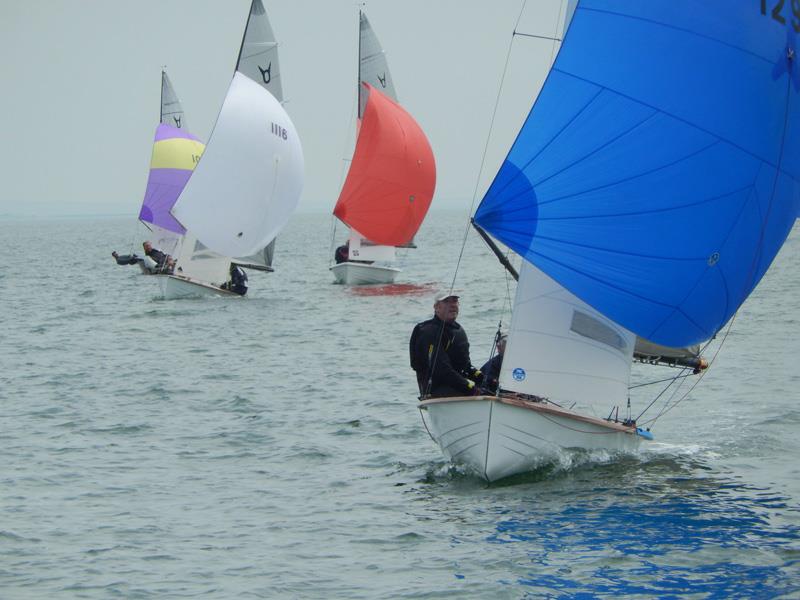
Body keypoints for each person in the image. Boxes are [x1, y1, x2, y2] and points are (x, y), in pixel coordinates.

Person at [410, 292, 483, 398]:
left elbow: (465, 365)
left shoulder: (458, 329)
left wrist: (482, 378)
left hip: (459, 385)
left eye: (455, 301)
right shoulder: (428, 332)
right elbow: (441, 369)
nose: (453, 304)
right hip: (437, 391)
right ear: (436, 307)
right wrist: (468, 387)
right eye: (447, 301)